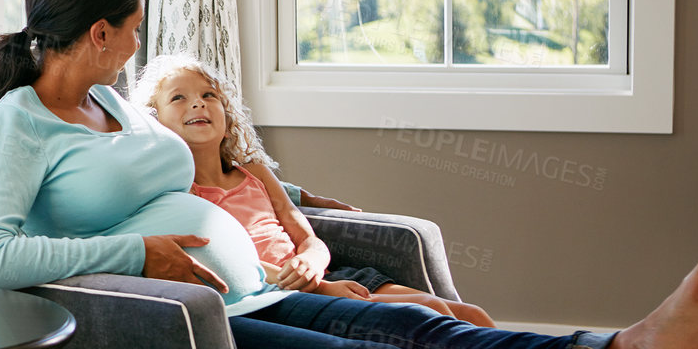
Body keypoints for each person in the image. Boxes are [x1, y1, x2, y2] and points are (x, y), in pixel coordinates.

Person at [0, 0, 698, 349]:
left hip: (248, 296)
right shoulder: (16, 126)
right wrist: (138, 252)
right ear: (98, 34)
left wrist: (295, 201)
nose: (137, 45)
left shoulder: (109, 103)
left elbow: (176, 177)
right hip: (171, 329)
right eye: (131, 29)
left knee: (409, 325)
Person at [133, 52, 495, 326]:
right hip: (276, 292)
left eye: (209, 95)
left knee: (465, 313)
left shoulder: (255, 172)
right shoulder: (181, 194)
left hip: (322, 273)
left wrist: (313, 261)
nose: (197, 102)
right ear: (155, 124)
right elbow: (227, 264)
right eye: (178, 98)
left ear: (228, 119)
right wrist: (315, 286)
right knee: (426, 315)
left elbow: (307, 237)